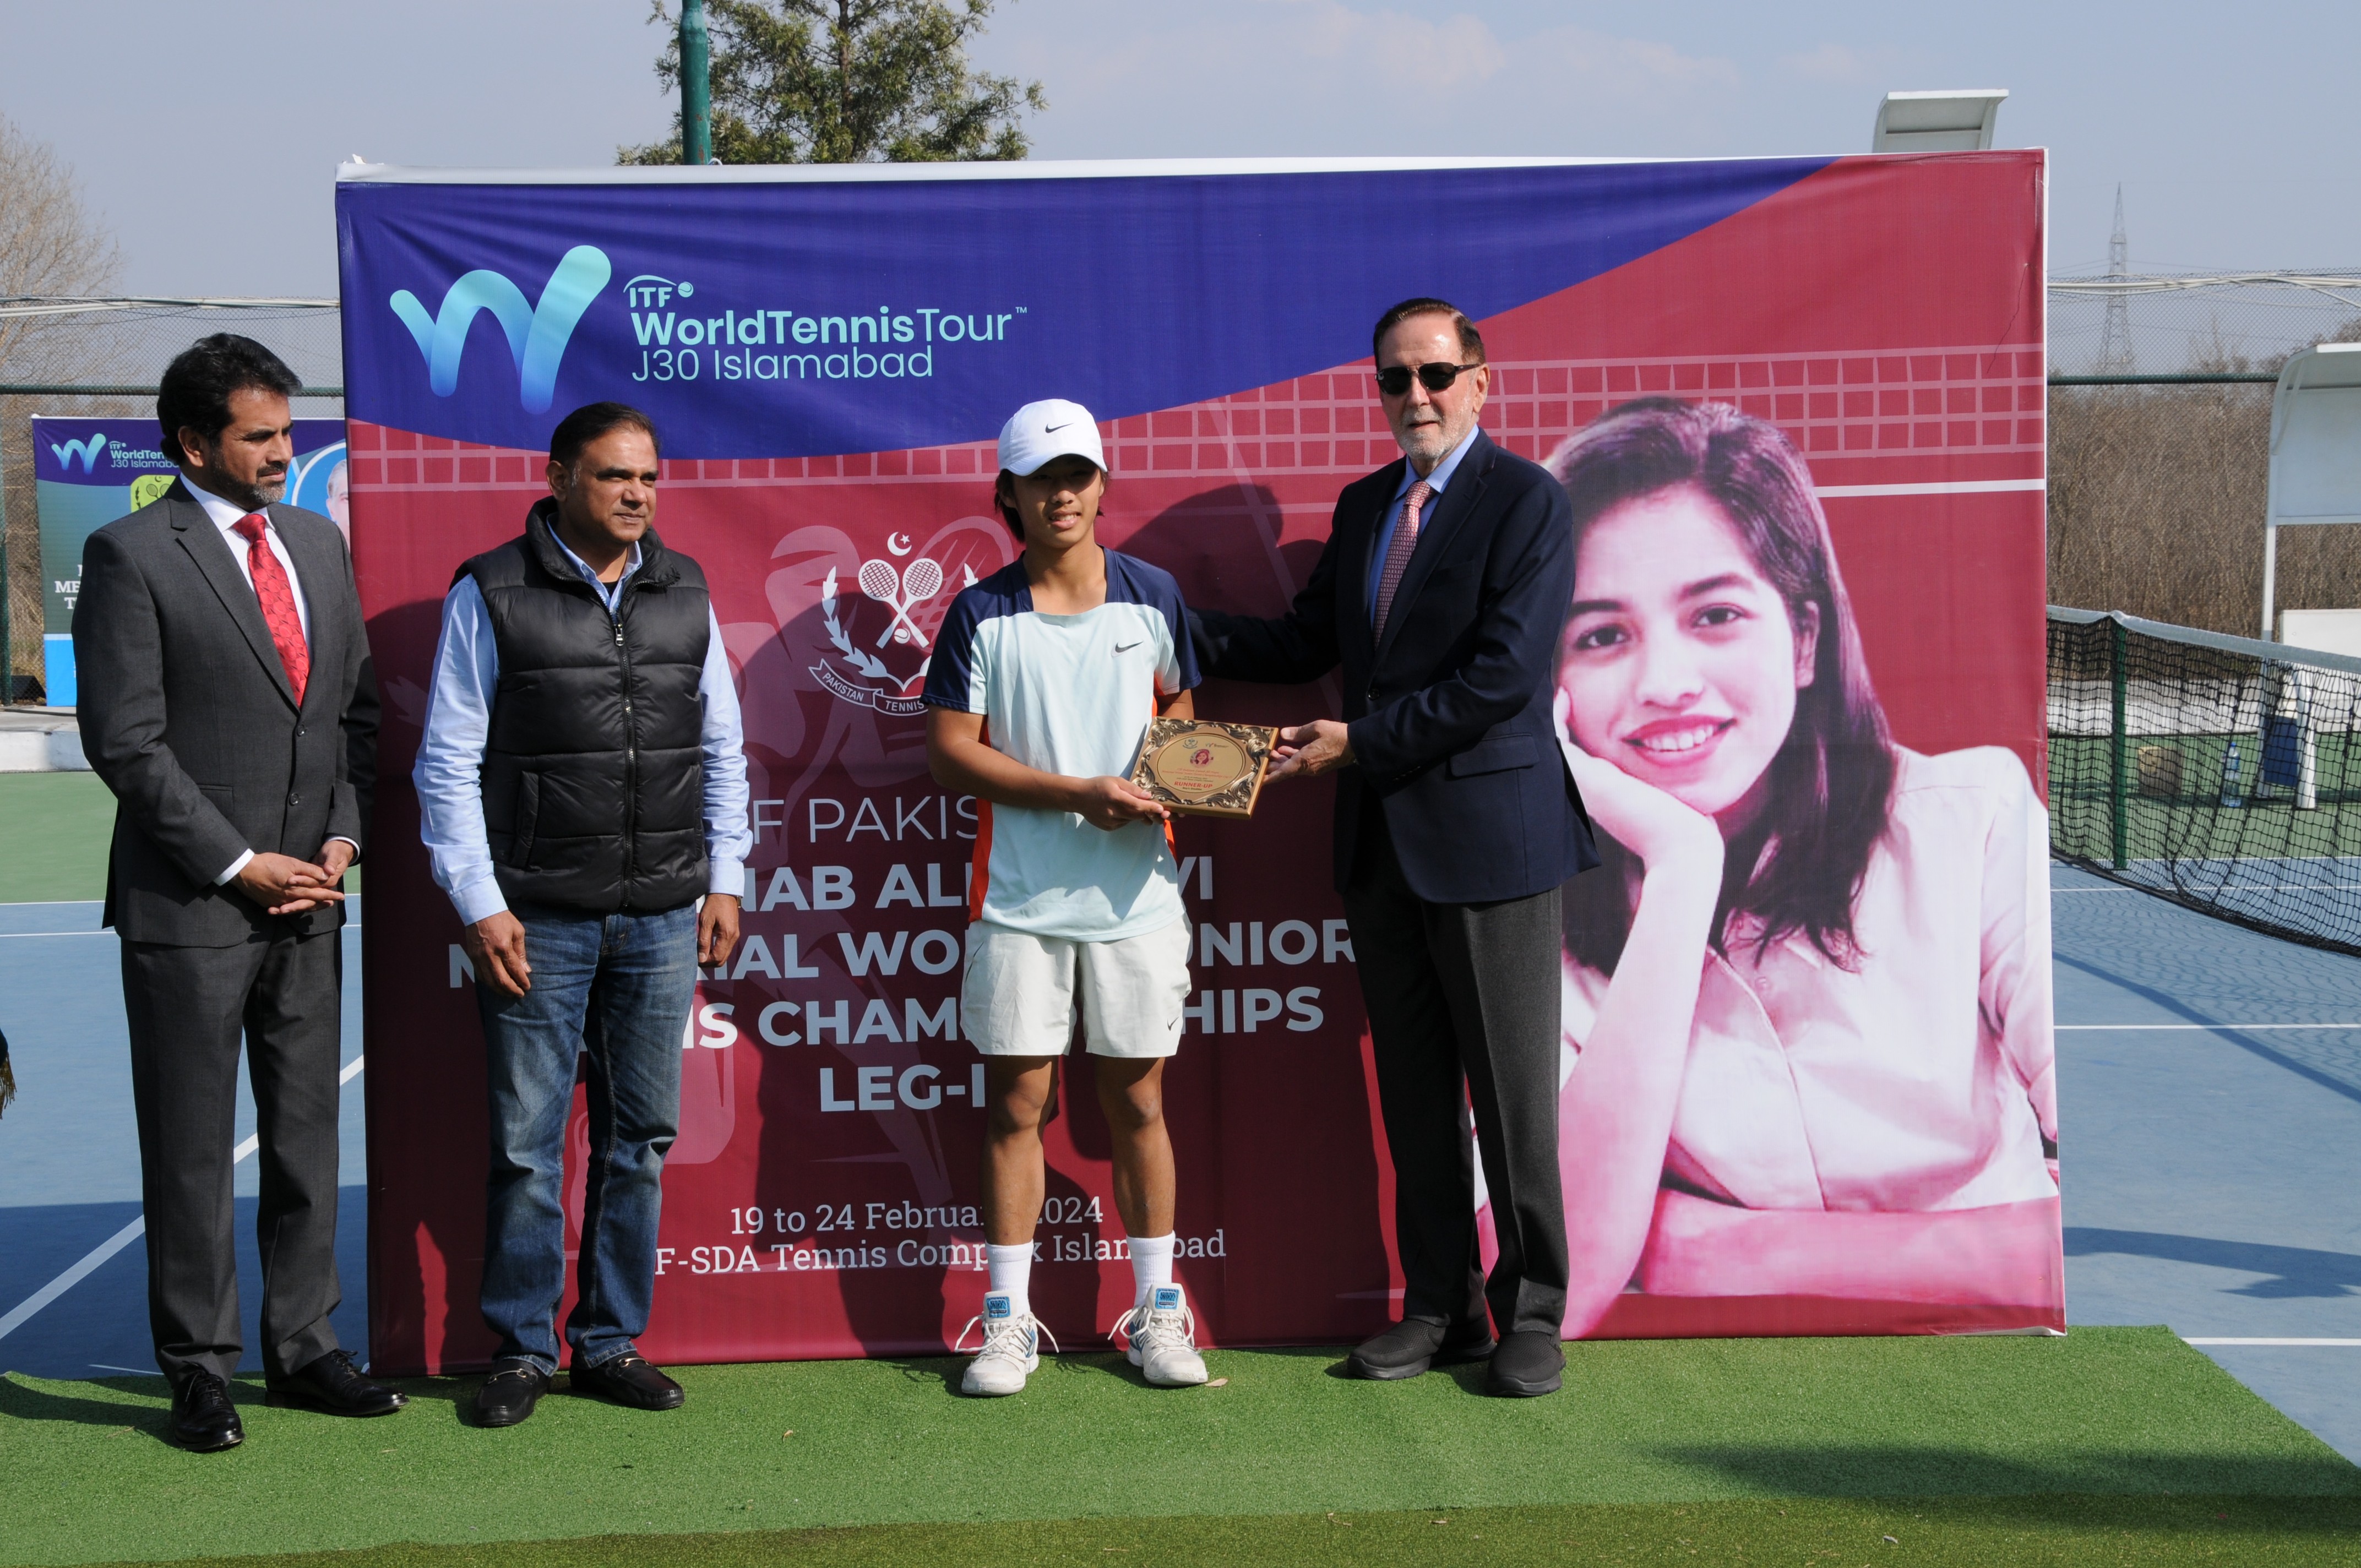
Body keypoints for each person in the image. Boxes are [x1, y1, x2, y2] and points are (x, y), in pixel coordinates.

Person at [1546, 398, 2059, 1335]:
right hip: (1710, 1404)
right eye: (1602, 635)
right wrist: (1679, 865)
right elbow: (1557, 1281)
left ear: (1806, 639)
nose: (1665, 682)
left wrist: (1716, 1250)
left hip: (1996, 1371)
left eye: (1716, 614)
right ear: (1553, 688)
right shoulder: (1534, 908)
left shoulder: (1972, 821)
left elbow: (2072, 1249)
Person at [1190, 300, 1596, 1398]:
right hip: (1380, 850)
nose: (1411, 396)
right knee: (1414, 1098)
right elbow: (1304, 641)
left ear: (1478, 380)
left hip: (1493, 845)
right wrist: (1166, 622)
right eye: (1391, 379)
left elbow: (1503, 677)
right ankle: (1440, 1306)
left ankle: (1533, 1312)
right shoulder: (1366, 505)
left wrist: (1355, 743)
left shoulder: (1528, 504)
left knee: (1512, 1101)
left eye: (1431, 374)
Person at [74, 333, 393, 1451]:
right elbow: (127, 742)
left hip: (315, 900)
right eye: (258, 436)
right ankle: (200, 1369)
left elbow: (353, 717)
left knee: (306, 1141)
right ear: (192, 442)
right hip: (191, 908)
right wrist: (236, 860)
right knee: (194, 1150)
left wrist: (343, 841)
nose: (280, 451)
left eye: (284, 431)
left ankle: (304, 1348)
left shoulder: (317, 541)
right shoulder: (129, 554)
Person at [412, 401, 750, 1427]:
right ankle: (519, 1349)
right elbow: (446, 763)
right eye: (615, 476)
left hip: (659, 916)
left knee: (639, 1138)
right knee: (526, 1143)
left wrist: (724, 875)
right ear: (559, 478)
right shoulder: (491, 590)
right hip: (538, 921)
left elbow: (724, 750)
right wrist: (480, 903)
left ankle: (608, 1341)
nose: (638, 494)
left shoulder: (684, 588)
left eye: (648, 476)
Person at [923, 399, 1210, 1397]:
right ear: (1008, 495)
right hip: (1016, 901)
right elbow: (952, 751)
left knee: (1137, 1099)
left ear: (1102, 484)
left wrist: (1161, 775)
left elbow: (1180, 703)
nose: (1064, 495)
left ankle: (1160, 1313)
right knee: (1018, 1104)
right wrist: (1080, 793)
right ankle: (1007, 1321)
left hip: (1139, 900)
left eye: (1078, 475)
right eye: (1043, 480)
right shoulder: (980, 613)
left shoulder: (1154, 597)